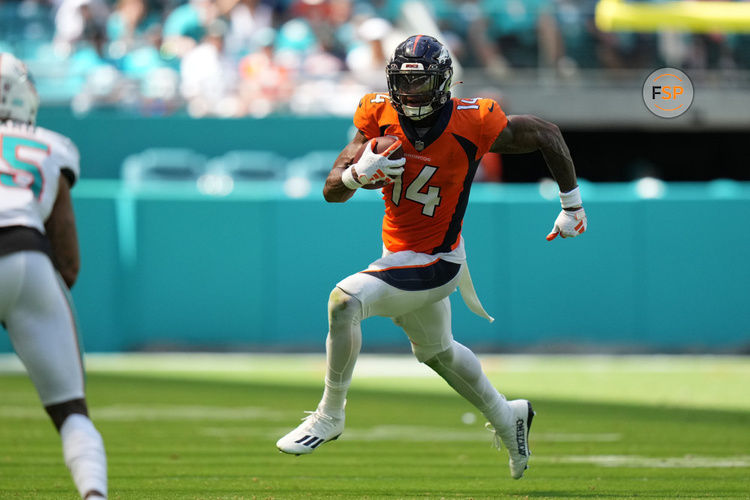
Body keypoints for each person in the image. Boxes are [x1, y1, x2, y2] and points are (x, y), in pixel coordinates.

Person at [276, 35, 587, 479]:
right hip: (398, 257)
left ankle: (330, 414)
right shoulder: (378, 115)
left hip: (439, 262)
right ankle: (509, 415)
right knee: (438, 353)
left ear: (442, 83)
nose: (411, 94)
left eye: (421, 84)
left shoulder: (473, 120)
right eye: (404, 83)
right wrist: (355, 173)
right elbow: (331, 192)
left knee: (345, 302)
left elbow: (546, 134)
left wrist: (572, 205)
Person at [0, 53, 108, 500]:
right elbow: (69, 260)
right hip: (28, 257)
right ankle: (94, 493)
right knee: (71, 411)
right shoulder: (52, 144)